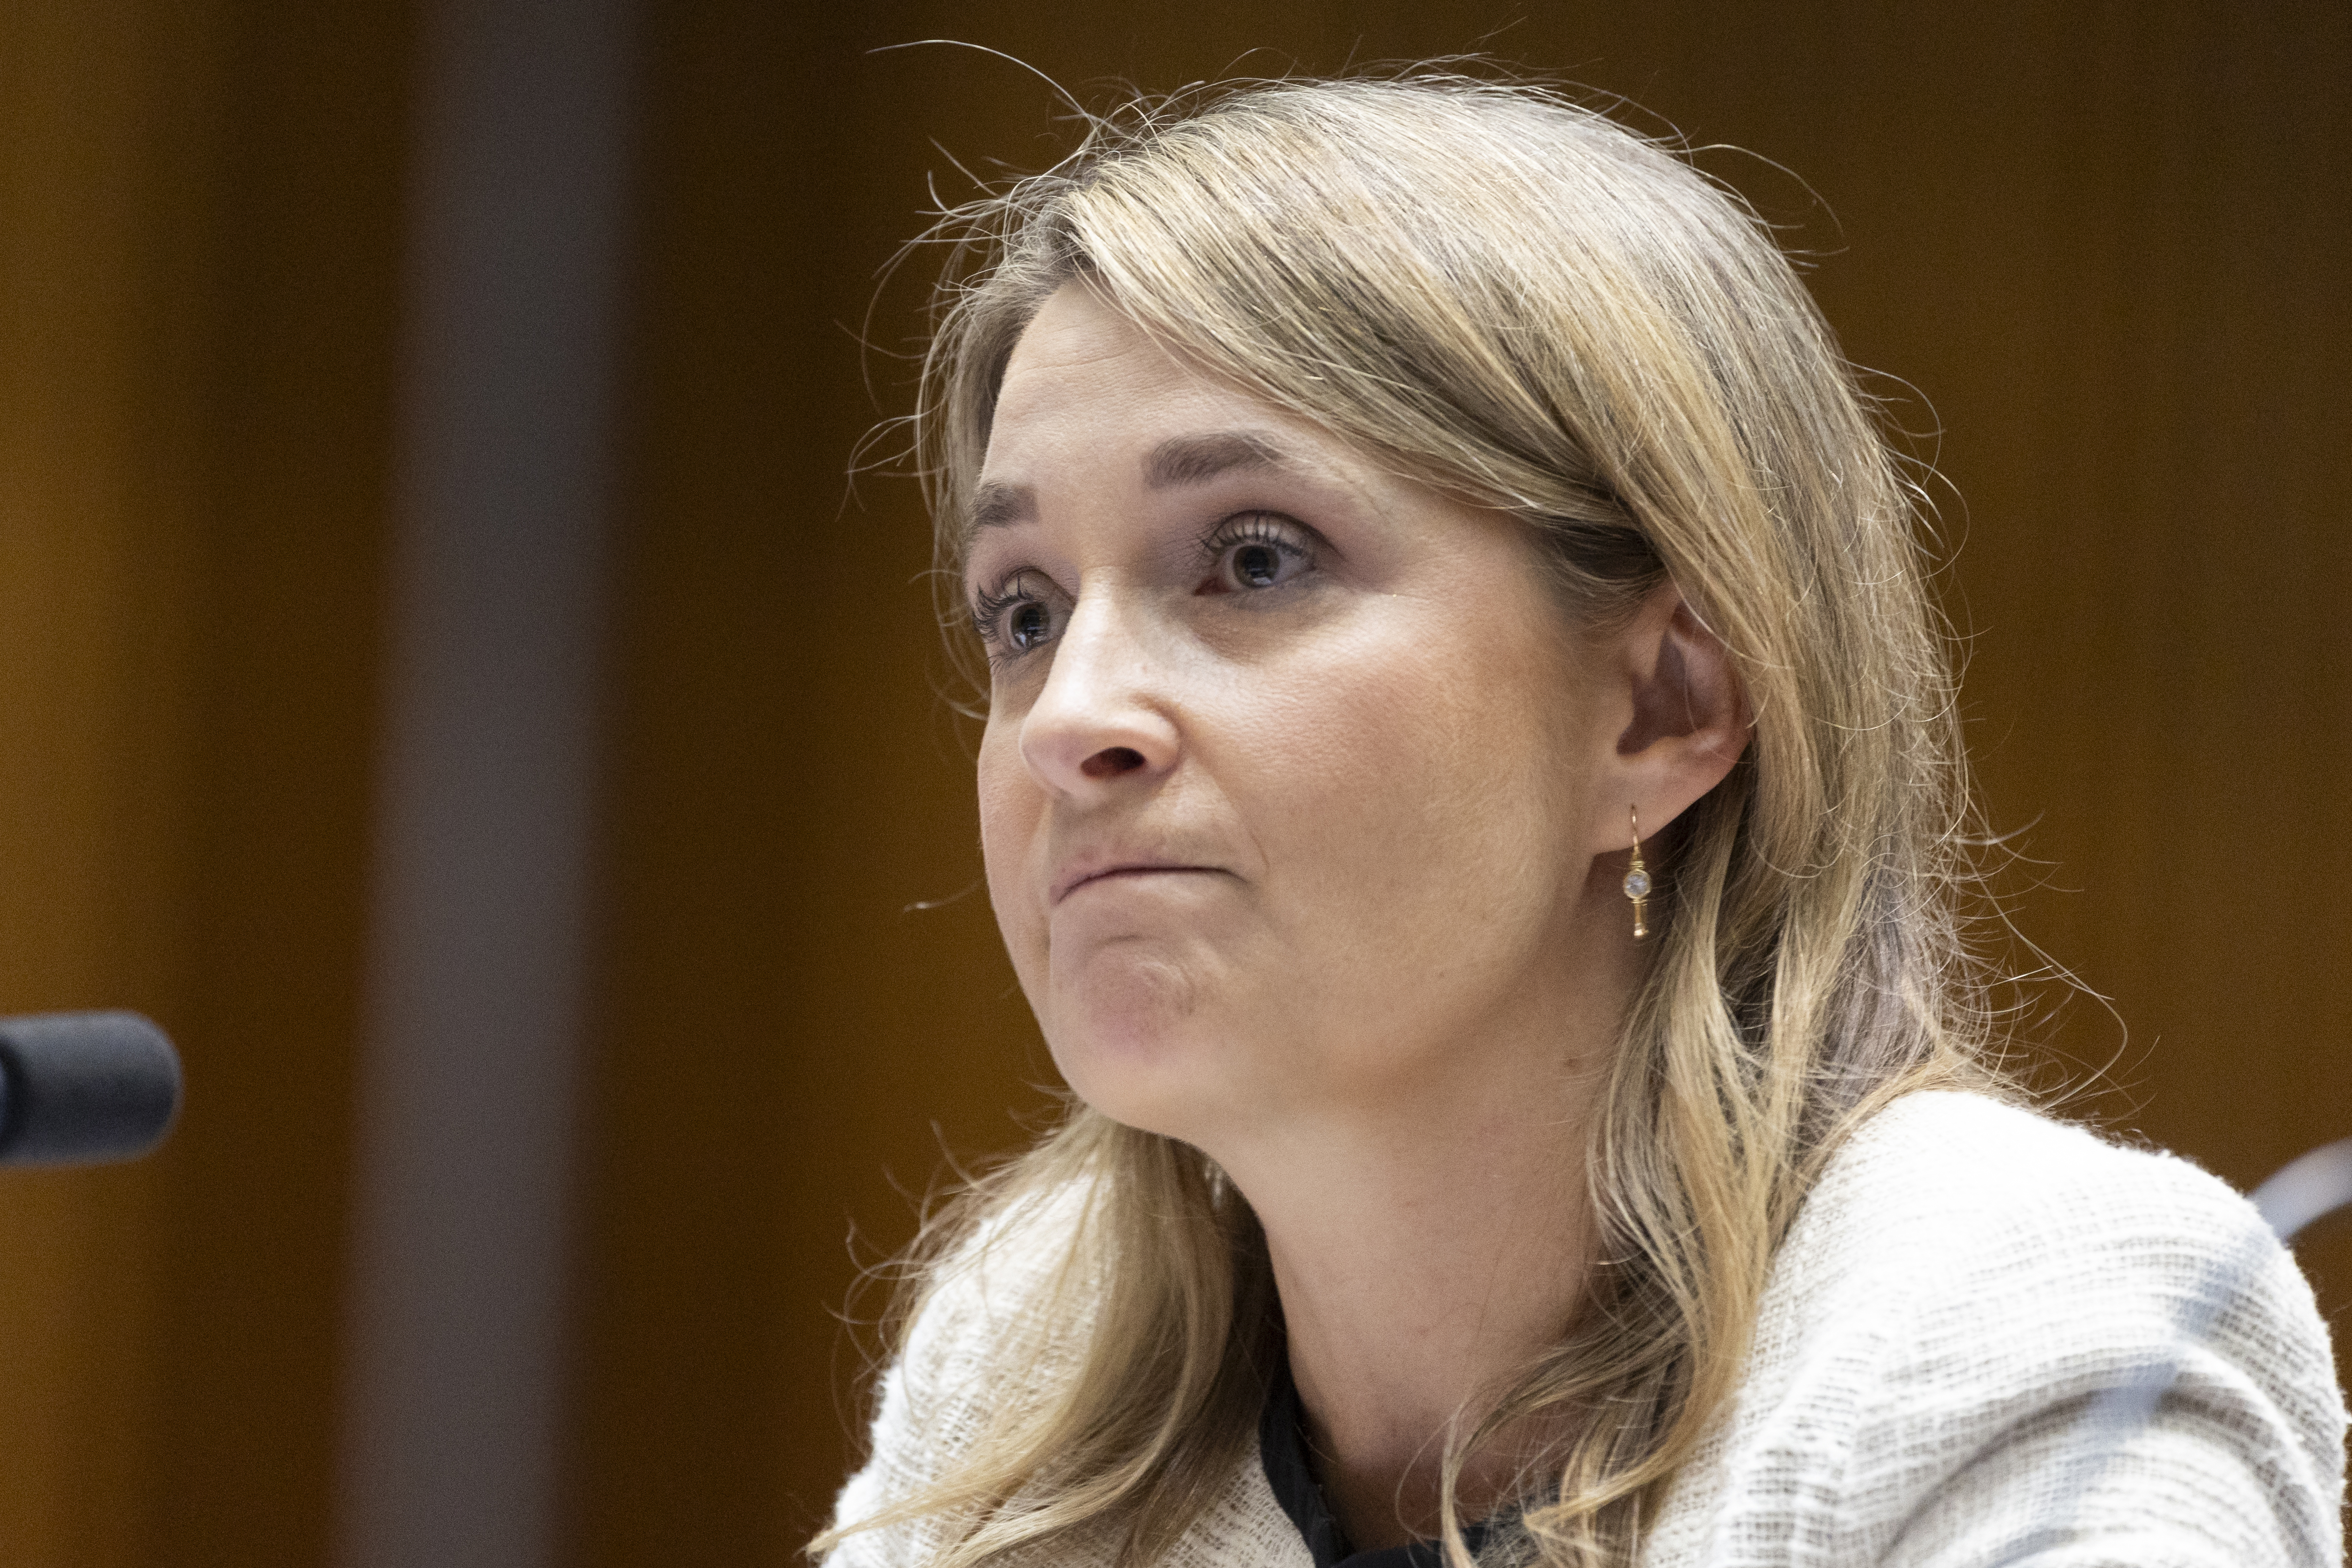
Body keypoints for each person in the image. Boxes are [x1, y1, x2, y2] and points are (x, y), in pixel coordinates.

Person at [810, 71, 2345, 1568]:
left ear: (1661, 706)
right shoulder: (1035, 1357)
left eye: (1256, 560)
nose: (1071, 718)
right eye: (1022, 611)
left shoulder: (2027, 1322)